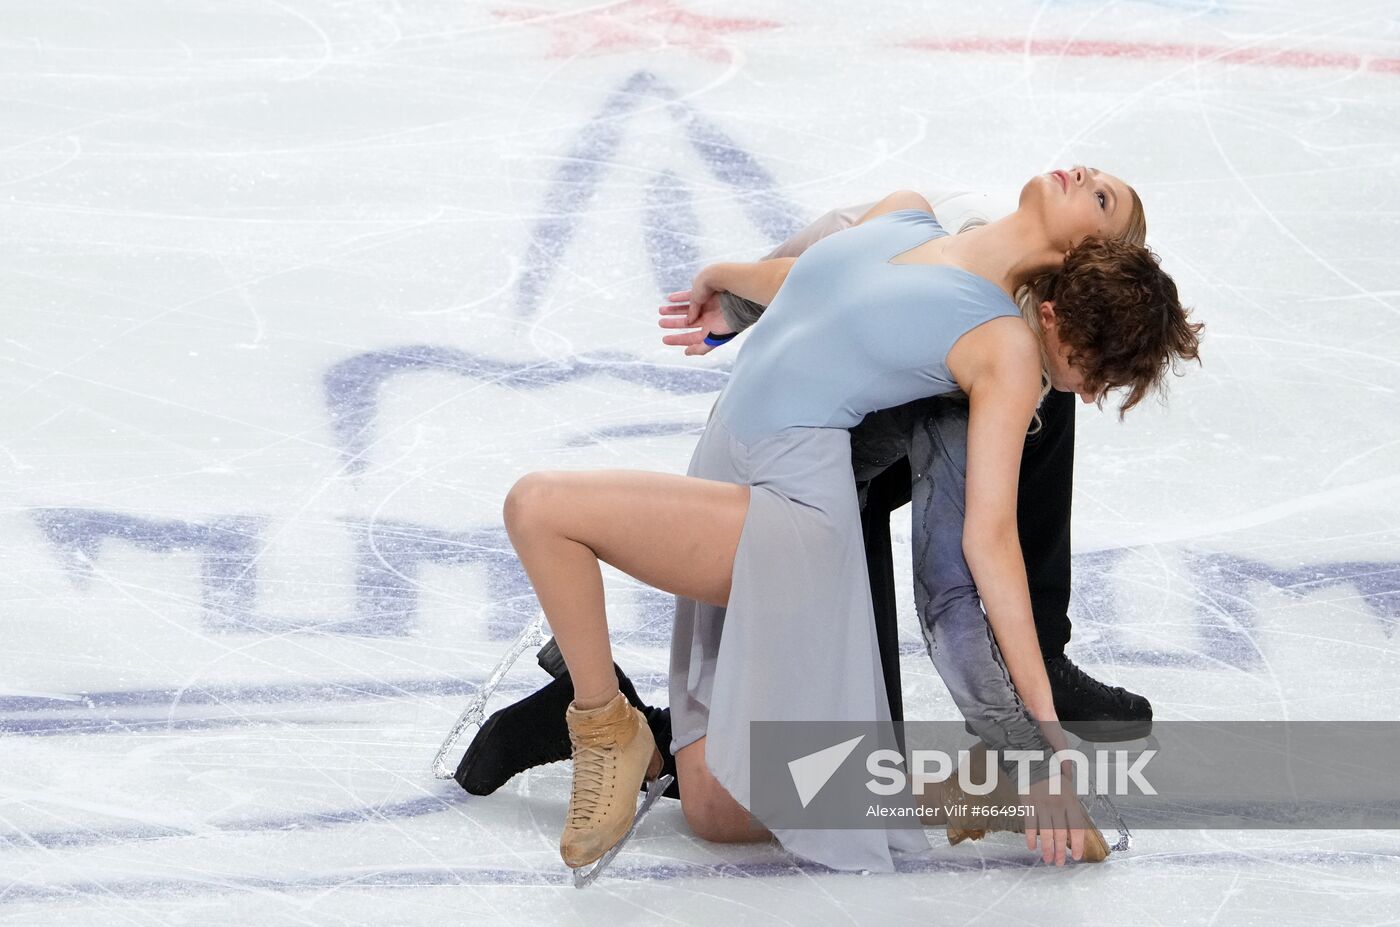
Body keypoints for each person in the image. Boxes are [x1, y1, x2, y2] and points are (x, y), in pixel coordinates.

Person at [493, 168, 1201, 873]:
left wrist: (1043, 745)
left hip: (790, 510)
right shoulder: (910, 211)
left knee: (541, 507)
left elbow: (984, 546)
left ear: (1087, 258)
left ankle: (603, 724)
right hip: (726, 462)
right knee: (714, 810)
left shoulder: (1004, 349)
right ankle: (979, 795)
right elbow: (811, 282)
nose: (1083, 174)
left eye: (1102, 199)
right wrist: (733, 280)